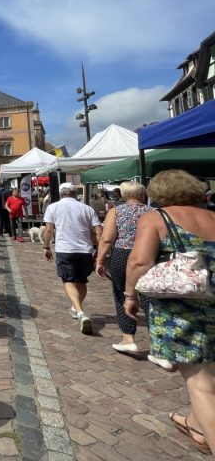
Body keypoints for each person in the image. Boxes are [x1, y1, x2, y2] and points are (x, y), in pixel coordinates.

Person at [123, 170, 215, 455]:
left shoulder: (157, 217)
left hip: (184, 308)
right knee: (210, 373)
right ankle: (197, 427)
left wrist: (130, 295)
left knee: (201, 384)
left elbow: (139, 262)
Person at [94, 181, 151, 355]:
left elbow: (107, 239)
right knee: (149, 296)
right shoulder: (153, 212)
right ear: (143, 194)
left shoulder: (116, 211)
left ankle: (128, 338)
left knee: (122, 294)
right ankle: (157, 342)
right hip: (148, 253)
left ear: (124, 195)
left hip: (122, 254)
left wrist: (100, 260)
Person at [43, 183, 102, 335]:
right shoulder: (87, 208)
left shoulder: (53, 207)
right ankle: (76, 308)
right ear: (75, 193)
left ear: (61, 193)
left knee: (68, 280)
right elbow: (99, 230)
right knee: (82, 281)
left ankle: (80, 312)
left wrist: (46, 247)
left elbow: (49, 230)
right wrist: (99, 250)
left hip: (65, 249)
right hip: (85, 250)